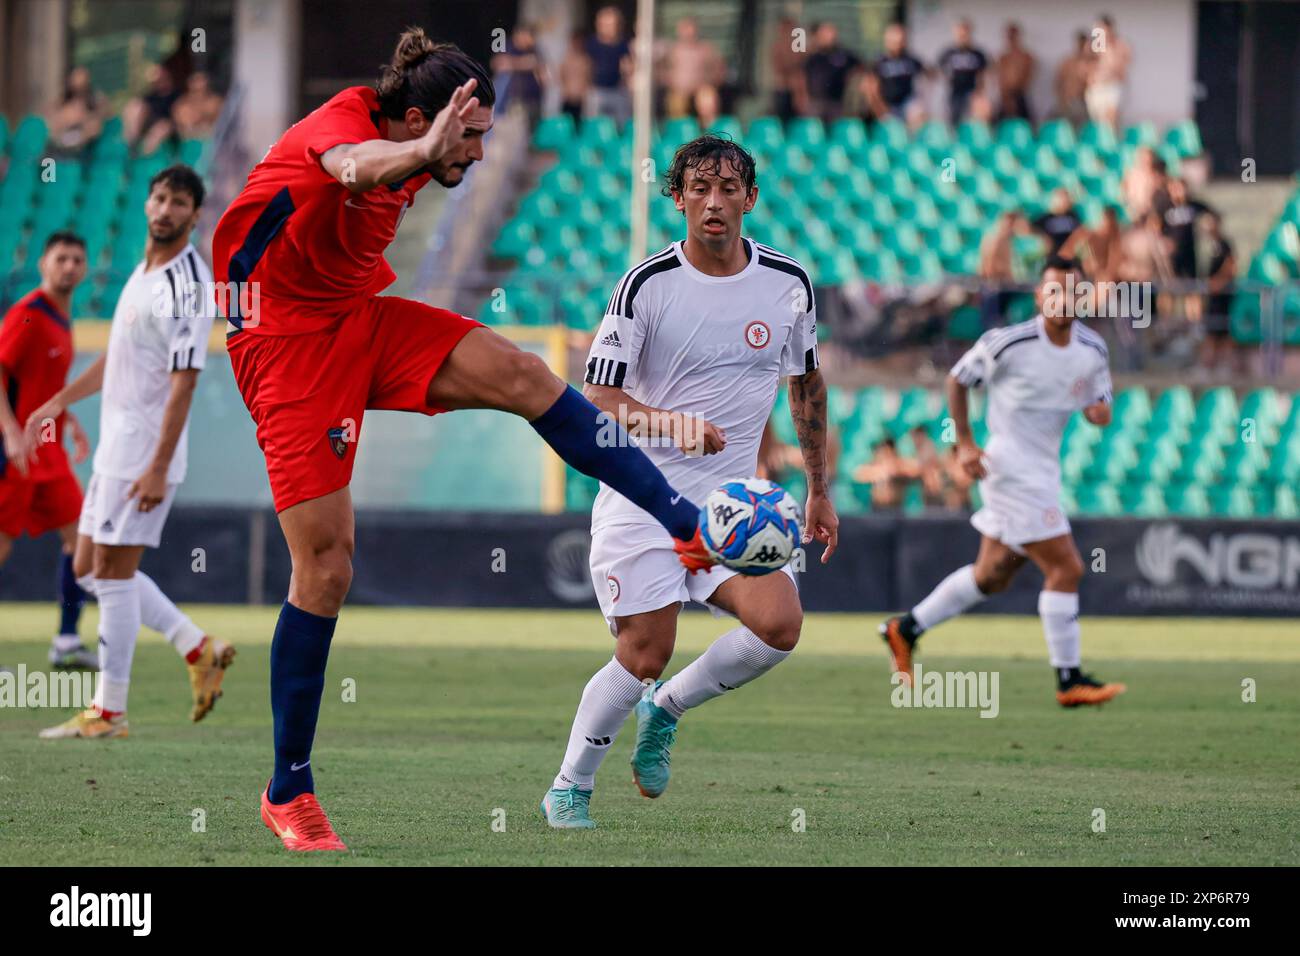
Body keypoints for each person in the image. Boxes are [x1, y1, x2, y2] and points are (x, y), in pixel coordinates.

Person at [211, 29, 718, 852]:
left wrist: (429, 151)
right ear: (417, 120)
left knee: (522, 374)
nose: (479, 152)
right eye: (471, 135)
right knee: (328, 567)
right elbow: (352, 168)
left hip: (355, 314)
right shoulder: (341, 134)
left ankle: (682, 521)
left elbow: (386, 171)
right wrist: (416, 153)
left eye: (479, 134)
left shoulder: (418, 139)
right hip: (283, 343)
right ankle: (288, 789)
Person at [540, 136, 836, 829]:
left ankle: (667, 708)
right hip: (643, 494)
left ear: (749, 199)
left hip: (732, 503)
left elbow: (807, 384)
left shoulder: (787, 284)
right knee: (645, 651)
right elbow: (597, 400)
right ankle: (570, 785)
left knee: (778, 626)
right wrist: (673, 425)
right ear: (677, 198)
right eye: (699, 188)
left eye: (728, 188)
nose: (714, 201)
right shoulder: (646, 284)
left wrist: (819, 486)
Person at [32, 167, 233, 739]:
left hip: (145, 453)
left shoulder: (190, 284)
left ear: (196, 216)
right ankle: (198, 648)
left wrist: (158, 466)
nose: (165, 209)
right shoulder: (141, 272)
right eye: (160, 198)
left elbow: (185, 382)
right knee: (85, 568)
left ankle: (110, 712)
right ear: (147, 203)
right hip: (115, 451)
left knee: (112, 575)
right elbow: (117, 355)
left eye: (179, 203)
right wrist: (59, 399)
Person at [879, 258, 1126, 708]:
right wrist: (965, 445)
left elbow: (1098, 402)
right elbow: (957, 380)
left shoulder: (1092, 349)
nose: (1062, 300)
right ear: (1039, 296)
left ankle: (905, 628)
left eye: (1071, 292)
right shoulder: (1010, 343)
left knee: (992, 576)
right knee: (1066, 568)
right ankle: (1069, 681)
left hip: (1044, 469)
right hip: (1009, 468)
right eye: (1053, 291)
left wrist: (1098, 412)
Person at [0, 233, 97, 671]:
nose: (70, 267)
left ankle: (66, 640)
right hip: (16, 454)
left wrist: (69, 422)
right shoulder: (28, 315)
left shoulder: (61, 317)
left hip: (50, 453)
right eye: (61, 258)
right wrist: (9, 431)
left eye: (77, 260)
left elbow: (44, 386)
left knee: (82, 539)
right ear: (43, 263)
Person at [662, 17, 724, 120]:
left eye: (690, 29)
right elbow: (663, 69)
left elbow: (719, 67)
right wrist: (670, 82)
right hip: (678, 90)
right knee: (676, 103)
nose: (688, 33)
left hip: (701, 88)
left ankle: (709, 129)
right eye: (685, 29)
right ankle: (681, 130)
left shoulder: (705, 48)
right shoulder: (673, 50)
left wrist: (712, 84)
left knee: (708, 98)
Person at [1199, 213, 1238, 376]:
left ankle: (1222, 365)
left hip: (1223, 296)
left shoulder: (1224, 245)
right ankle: (1210, 365)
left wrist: (1218, 283)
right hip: (1214, 296)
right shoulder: (1211, 246)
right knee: (1213, 331)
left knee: (1221, 332)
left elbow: (1231, 266)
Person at [804, 22, 861, 123]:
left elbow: (859, 67)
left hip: (836, 103)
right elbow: (802, 77)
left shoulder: (843, 55)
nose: (829, 37)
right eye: (825, 34)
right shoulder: (813, 57)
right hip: (816, 103)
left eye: (830, 33)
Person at [585, 6, 633, 124]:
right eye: (605, 24)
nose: (608, 28)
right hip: (596, 91)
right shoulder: (591, 44)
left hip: (618, 91)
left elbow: (628, 65)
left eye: (612, 24)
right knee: (594, 125)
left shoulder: (624, 44)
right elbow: (585, 66)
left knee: (622, 124)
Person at [490, 23, 546, 125]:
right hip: (512, 101)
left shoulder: (534, 49)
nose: (531, 40)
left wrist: (512, 64)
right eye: (529, 36)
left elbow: (533, 62)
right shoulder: (509, 46)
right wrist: (519, 63)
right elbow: (496, 63)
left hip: (532, 100)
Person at [872, 23, 925, 123]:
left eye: (901, 41)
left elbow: (927, 74)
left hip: (907, 102)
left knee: (918, 115)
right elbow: (872, 88)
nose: (898, 44)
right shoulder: (880, 61)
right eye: (895, 41)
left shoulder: (910, 59)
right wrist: (880, 109)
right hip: (888, 105)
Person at [937, 19, 988, 125]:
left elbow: (982, 75)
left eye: (965, 33)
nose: (962, 36)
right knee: (954, 120)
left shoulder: (977, 53)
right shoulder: (948, 53)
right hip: (955, 92)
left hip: (972, 92)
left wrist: (980, 93)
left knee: (976, 121)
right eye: (959, 33)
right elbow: (940, 70)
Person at [122, 63, 180, 155]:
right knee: (134, 106)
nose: (160, 82)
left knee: (161, 127)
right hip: (148, 125)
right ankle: (131, 145)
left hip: (169, 127)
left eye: (162, 78)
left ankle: (145, 157)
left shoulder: (176, 96)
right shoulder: (150, 97)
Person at [1084, 15, 1131, 128]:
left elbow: (1123, 64)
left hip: (1112, 86)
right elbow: (1086, 63)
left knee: (1110, 120)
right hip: (1097, 87)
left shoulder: (1120, 45)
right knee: (1097, 121)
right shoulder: (1093, 45)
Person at [46, 67, 105, 154]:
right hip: (63, 145)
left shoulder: (96, 101)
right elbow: (54, 130)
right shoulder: (62, 104)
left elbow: (95, 128)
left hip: (86, 148)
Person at [853, 437, 918, 511]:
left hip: (896, 509)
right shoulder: (874, 467)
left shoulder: (900, 465)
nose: (880, 454)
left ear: (890, 451)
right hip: (877, 508)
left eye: (884, 451)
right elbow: (858, 474)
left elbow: (916, 469)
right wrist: (881, 471)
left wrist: (893, 470)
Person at [995, 22, 1036, 122]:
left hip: (1020, 95)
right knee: (999, 125)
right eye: (1009, 36)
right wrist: (1006, 98)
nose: (1011, 39)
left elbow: (1028, 77)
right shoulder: (1003, 58)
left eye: (1013, 36)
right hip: (1005, 97)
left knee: (1026, 124)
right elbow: (1001, 79)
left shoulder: (1026, 57)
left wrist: (1015, 94)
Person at [769, 16, 806, 121]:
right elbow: (780, 68)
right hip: (783, 89)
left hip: (795, 90)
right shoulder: (777, 47)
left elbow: (800, 68)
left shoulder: (798, 48)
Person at [171, 71, 224, 140]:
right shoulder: (182, 104)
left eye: (203, 82)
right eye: (196, 90)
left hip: (211, 139)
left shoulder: (216, 102)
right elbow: (182, 129)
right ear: (190, 85)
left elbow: (222, 123)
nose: (200, 86)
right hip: (190, 141)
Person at [1054, 31, 1091, 126]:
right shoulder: (1068, 62)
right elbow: (1058, 81)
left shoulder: (1090, 64)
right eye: (1080, 43)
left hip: (1083, 103)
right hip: (1067, 102)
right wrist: (1062, 99)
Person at [1033, 188, 1083, 257]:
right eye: (1062, 199)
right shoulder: (1045, 218)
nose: (1064, 201)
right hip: (1052, 254)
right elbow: (1033, 230)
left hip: (1070, 254)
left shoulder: (1073, 217)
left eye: (1066, 198)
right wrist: (1043, 237)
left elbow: (1080, 233)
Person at [558, 31, 592, 125]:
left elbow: (588, 78)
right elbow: (561, 76)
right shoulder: (566, 58)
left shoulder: (586, 60)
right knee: (566, 124)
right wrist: (566, 91)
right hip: (567, 97)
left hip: (581, 99)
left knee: (579, 125)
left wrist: (583, 92)